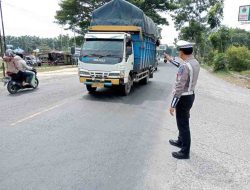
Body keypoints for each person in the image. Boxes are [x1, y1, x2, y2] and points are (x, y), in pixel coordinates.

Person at [164, 40, 200, 159]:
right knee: (183, 121)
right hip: (190, 95)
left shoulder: (185, 65)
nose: (179, 52)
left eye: (179, 50)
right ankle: (180, 141)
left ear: (182, 52)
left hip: (183, 98)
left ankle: (185, 152)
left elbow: (179, 87)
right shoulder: (194, 62)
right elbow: (181, 66)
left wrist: (173, 105)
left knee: (183, 124)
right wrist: (170, 59)